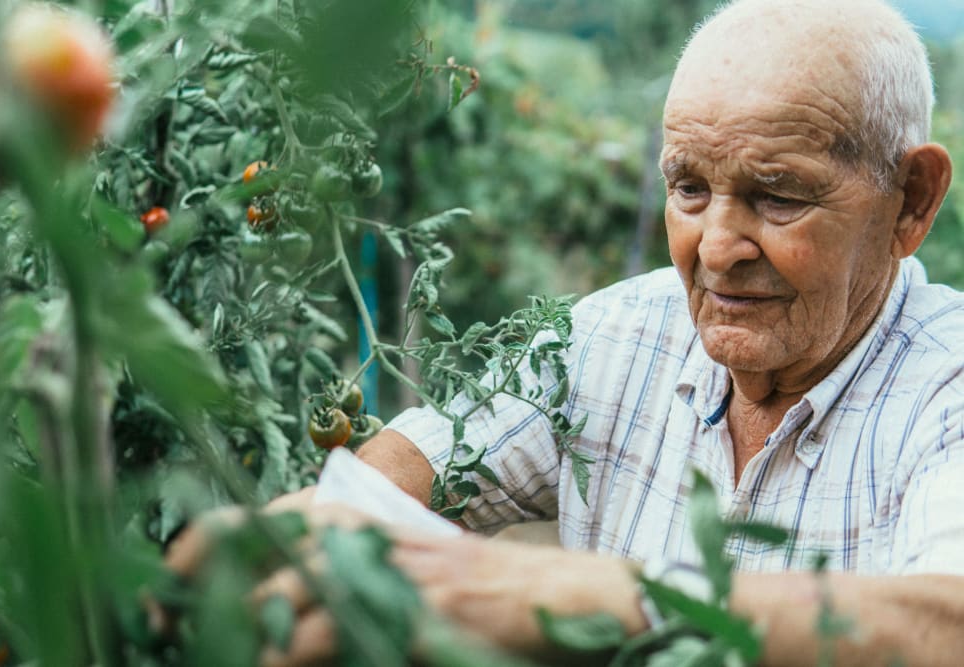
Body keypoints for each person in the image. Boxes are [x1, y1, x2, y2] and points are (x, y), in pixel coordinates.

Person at [169, 0, 964, 664]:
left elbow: (941, 624)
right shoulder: (614, 335)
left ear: (912, 200)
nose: (716, 247)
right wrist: (302, 541)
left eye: (779, 196)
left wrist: (542, 591)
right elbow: (402, 472)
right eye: (688, 187)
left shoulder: (947, 384)